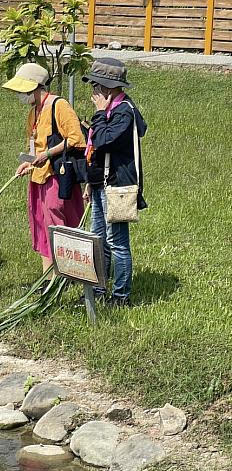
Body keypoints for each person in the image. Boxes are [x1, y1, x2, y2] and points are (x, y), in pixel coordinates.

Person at [2, 63, 86, 273]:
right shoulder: (34, 113)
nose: (21, 95)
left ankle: (65, 273)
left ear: (36, 87)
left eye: (23, 90)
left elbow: (76, 139)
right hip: (38, 177)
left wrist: (47, 154)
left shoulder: (59, 106)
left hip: (57, 176)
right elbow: (34, 145)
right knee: (41, 225)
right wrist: (29, 163)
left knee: (57, 224)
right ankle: (48, 277)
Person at [83, 58, 148, 307]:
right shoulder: (109, 111)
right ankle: (98, 289)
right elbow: (96, 151)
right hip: (101, 183)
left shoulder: (123, 112)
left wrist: (99, 113)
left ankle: (121, 295)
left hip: (118, 185)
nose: (93, 92)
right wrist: (90, 182)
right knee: (98, 239)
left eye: (95, 86)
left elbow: (104, 141)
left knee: (117, 242)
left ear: (108, 89)